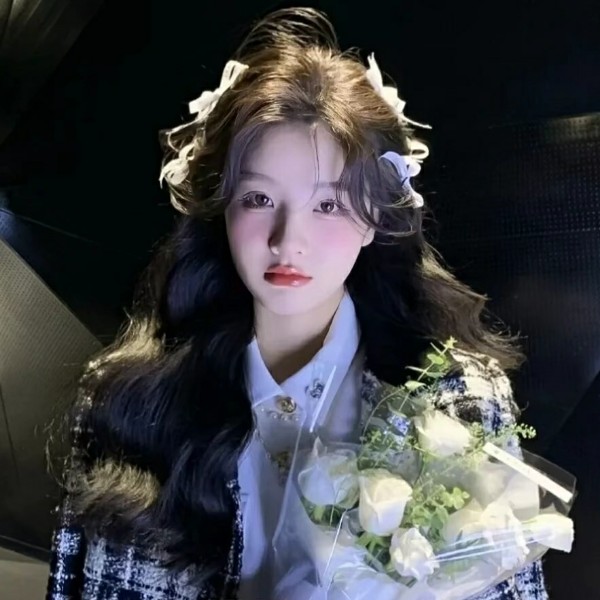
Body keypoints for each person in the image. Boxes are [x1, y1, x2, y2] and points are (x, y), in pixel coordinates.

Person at [46, 7, 548, 600]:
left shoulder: (457, 404)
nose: (288, 240)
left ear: (375, 218)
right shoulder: (126, 399)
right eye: (258, 199)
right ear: (221, 209)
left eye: (328, 205)